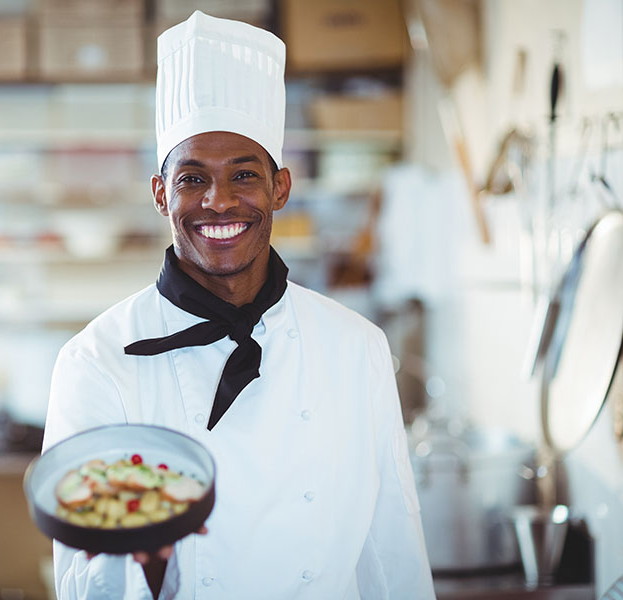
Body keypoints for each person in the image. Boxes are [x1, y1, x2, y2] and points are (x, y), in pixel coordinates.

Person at [42, 10, 435, 600]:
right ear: (160, 194)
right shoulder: (97, 361)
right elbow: (81, 580)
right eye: (192, 179)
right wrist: (143, 559)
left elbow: (392, 544)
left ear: (280, 187)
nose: (218, 202)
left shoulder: (355, 347)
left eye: (243, 175)